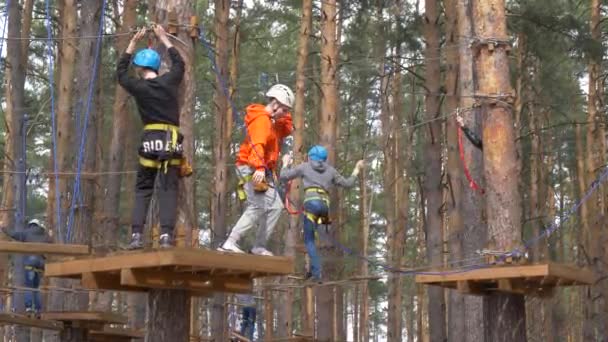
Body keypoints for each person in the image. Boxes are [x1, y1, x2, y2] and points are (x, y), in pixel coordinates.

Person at [117, 25, 186, 249]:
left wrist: (132, 43)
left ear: (139, 69)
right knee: (168, 189)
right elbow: (179, 64)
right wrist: (164, 38)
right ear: (157, 66)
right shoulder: (170, 81)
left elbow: (120, 73)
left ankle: (136, 235)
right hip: (172, 142)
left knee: (144, 189)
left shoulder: (138, 86)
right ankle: (166, 235)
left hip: (150, 141)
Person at [219, 84, 294, 256]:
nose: (286, 113)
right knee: (257, 205)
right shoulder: (261, 121)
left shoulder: (273, 122)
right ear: (275, 105)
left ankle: (258, 246)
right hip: (251, 167)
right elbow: (257, 145)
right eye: (284, 109)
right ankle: (230, 242)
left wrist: (284, 114)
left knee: (275, 207)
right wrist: (259, 167)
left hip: (262, 169)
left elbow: (287, 129)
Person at [279, 146, 364, 282]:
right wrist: (357, 169)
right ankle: (313, 270)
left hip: (311, 205)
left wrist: (285, 163)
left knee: (309, 240)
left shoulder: (305, 167)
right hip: (324, 208)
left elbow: (284, 176)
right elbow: (348, 184)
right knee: (323, 237)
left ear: (310, 157)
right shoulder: (331, 171)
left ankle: (316, 273)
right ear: (324, 159)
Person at [2, 219, 52, 315]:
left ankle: (29, 307)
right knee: (36, 288)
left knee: (29, 287)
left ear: (30, 225)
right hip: (40, 264)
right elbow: (51, 241)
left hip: (30, 263)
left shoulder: (26, 232)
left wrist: (4, 229)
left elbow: (14, 234)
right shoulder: (45, 235)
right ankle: (38, 309)